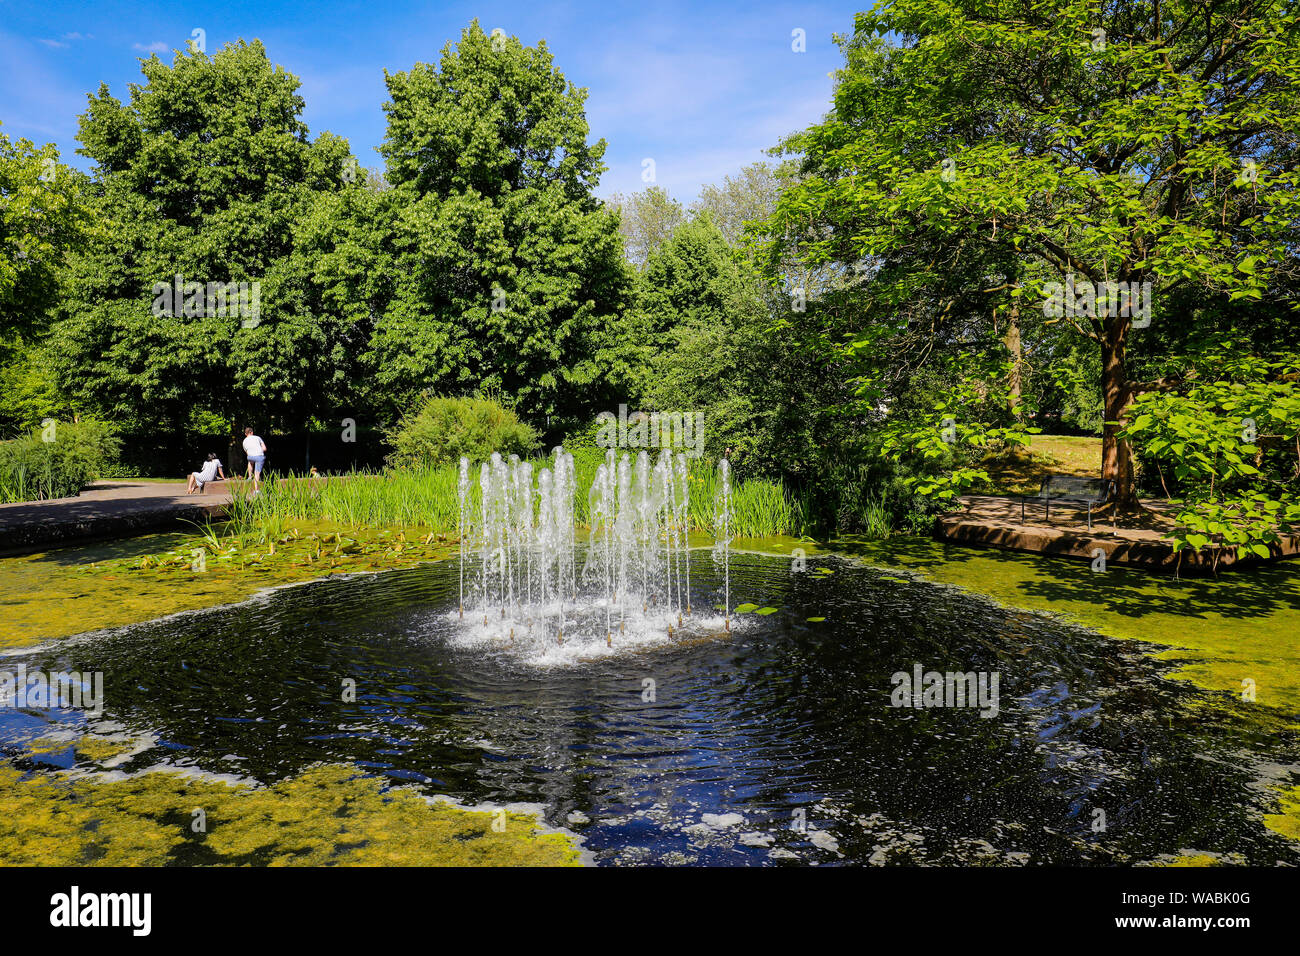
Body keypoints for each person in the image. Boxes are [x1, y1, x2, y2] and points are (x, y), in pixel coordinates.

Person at [242, 427, 268, 492]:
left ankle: (250, 477)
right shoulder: (257, 438)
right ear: (252, 432)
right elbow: (264, 448)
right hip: (259, 456)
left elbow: (247, 452)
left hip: (250, 457)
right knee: (257, 474)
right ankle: (256, 490)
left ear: (245, 434)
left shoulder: (244, 441)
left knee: (250, 462)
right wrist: (259, 450)